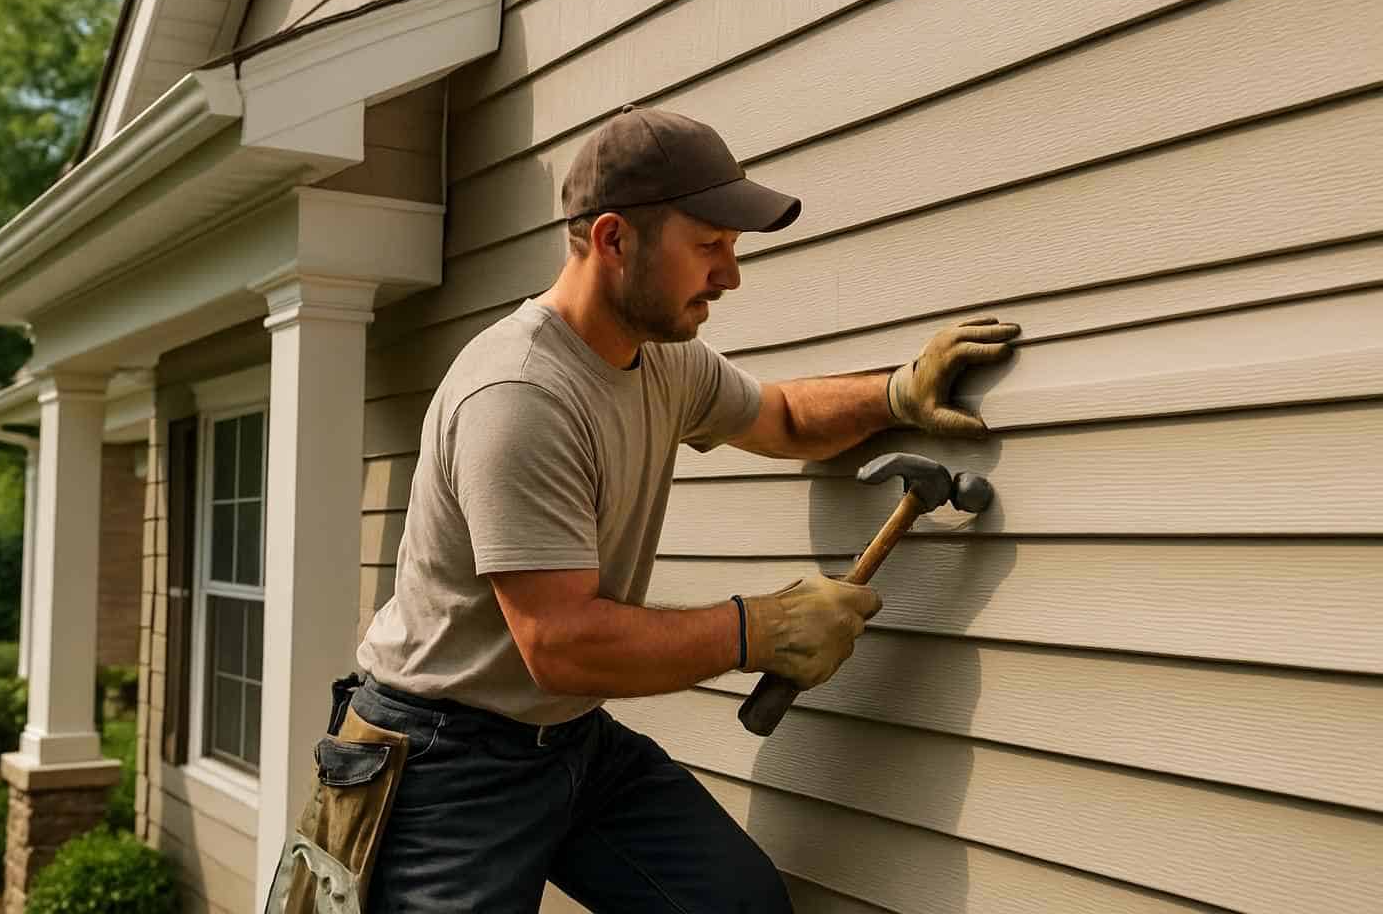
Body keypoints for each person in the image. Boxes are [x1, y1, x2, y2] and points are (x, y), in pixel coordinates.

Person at [347, 105, 1020, 912]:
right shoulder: (520, 395)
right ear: (613, 240)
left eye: (732, 250)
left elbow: (784, 420)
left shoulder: (665, 360)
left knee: (736, 905)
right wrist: (758, 628)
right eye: (709, 247)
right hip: (447, 756)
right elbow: (560, 646)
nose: (730, 275)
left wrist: (896, 392)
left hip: (567, 739)